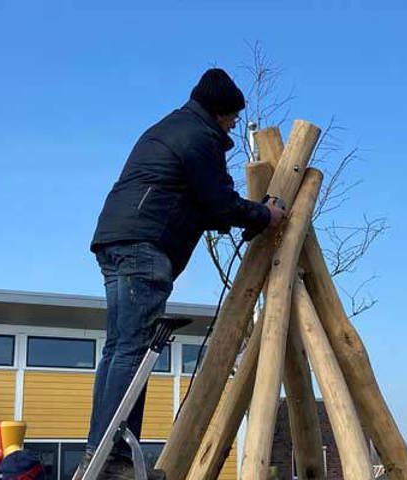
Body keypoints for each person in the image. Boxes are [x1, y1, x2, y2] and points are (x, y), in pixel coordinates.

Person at [73, 68, 286, 480]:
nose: (234, 124)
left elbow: (202, 203)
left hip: (118, 240)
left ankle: (100, 453)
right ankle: (114, 459)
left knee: (119, 349)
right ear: (221, 111)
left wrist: (245, 214)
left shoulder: (172, 127)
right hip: (144, 246)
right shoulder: (199, 138)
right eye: (233, 117)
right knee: (133, 352)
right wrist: (264, 213)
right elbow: (220, 202)